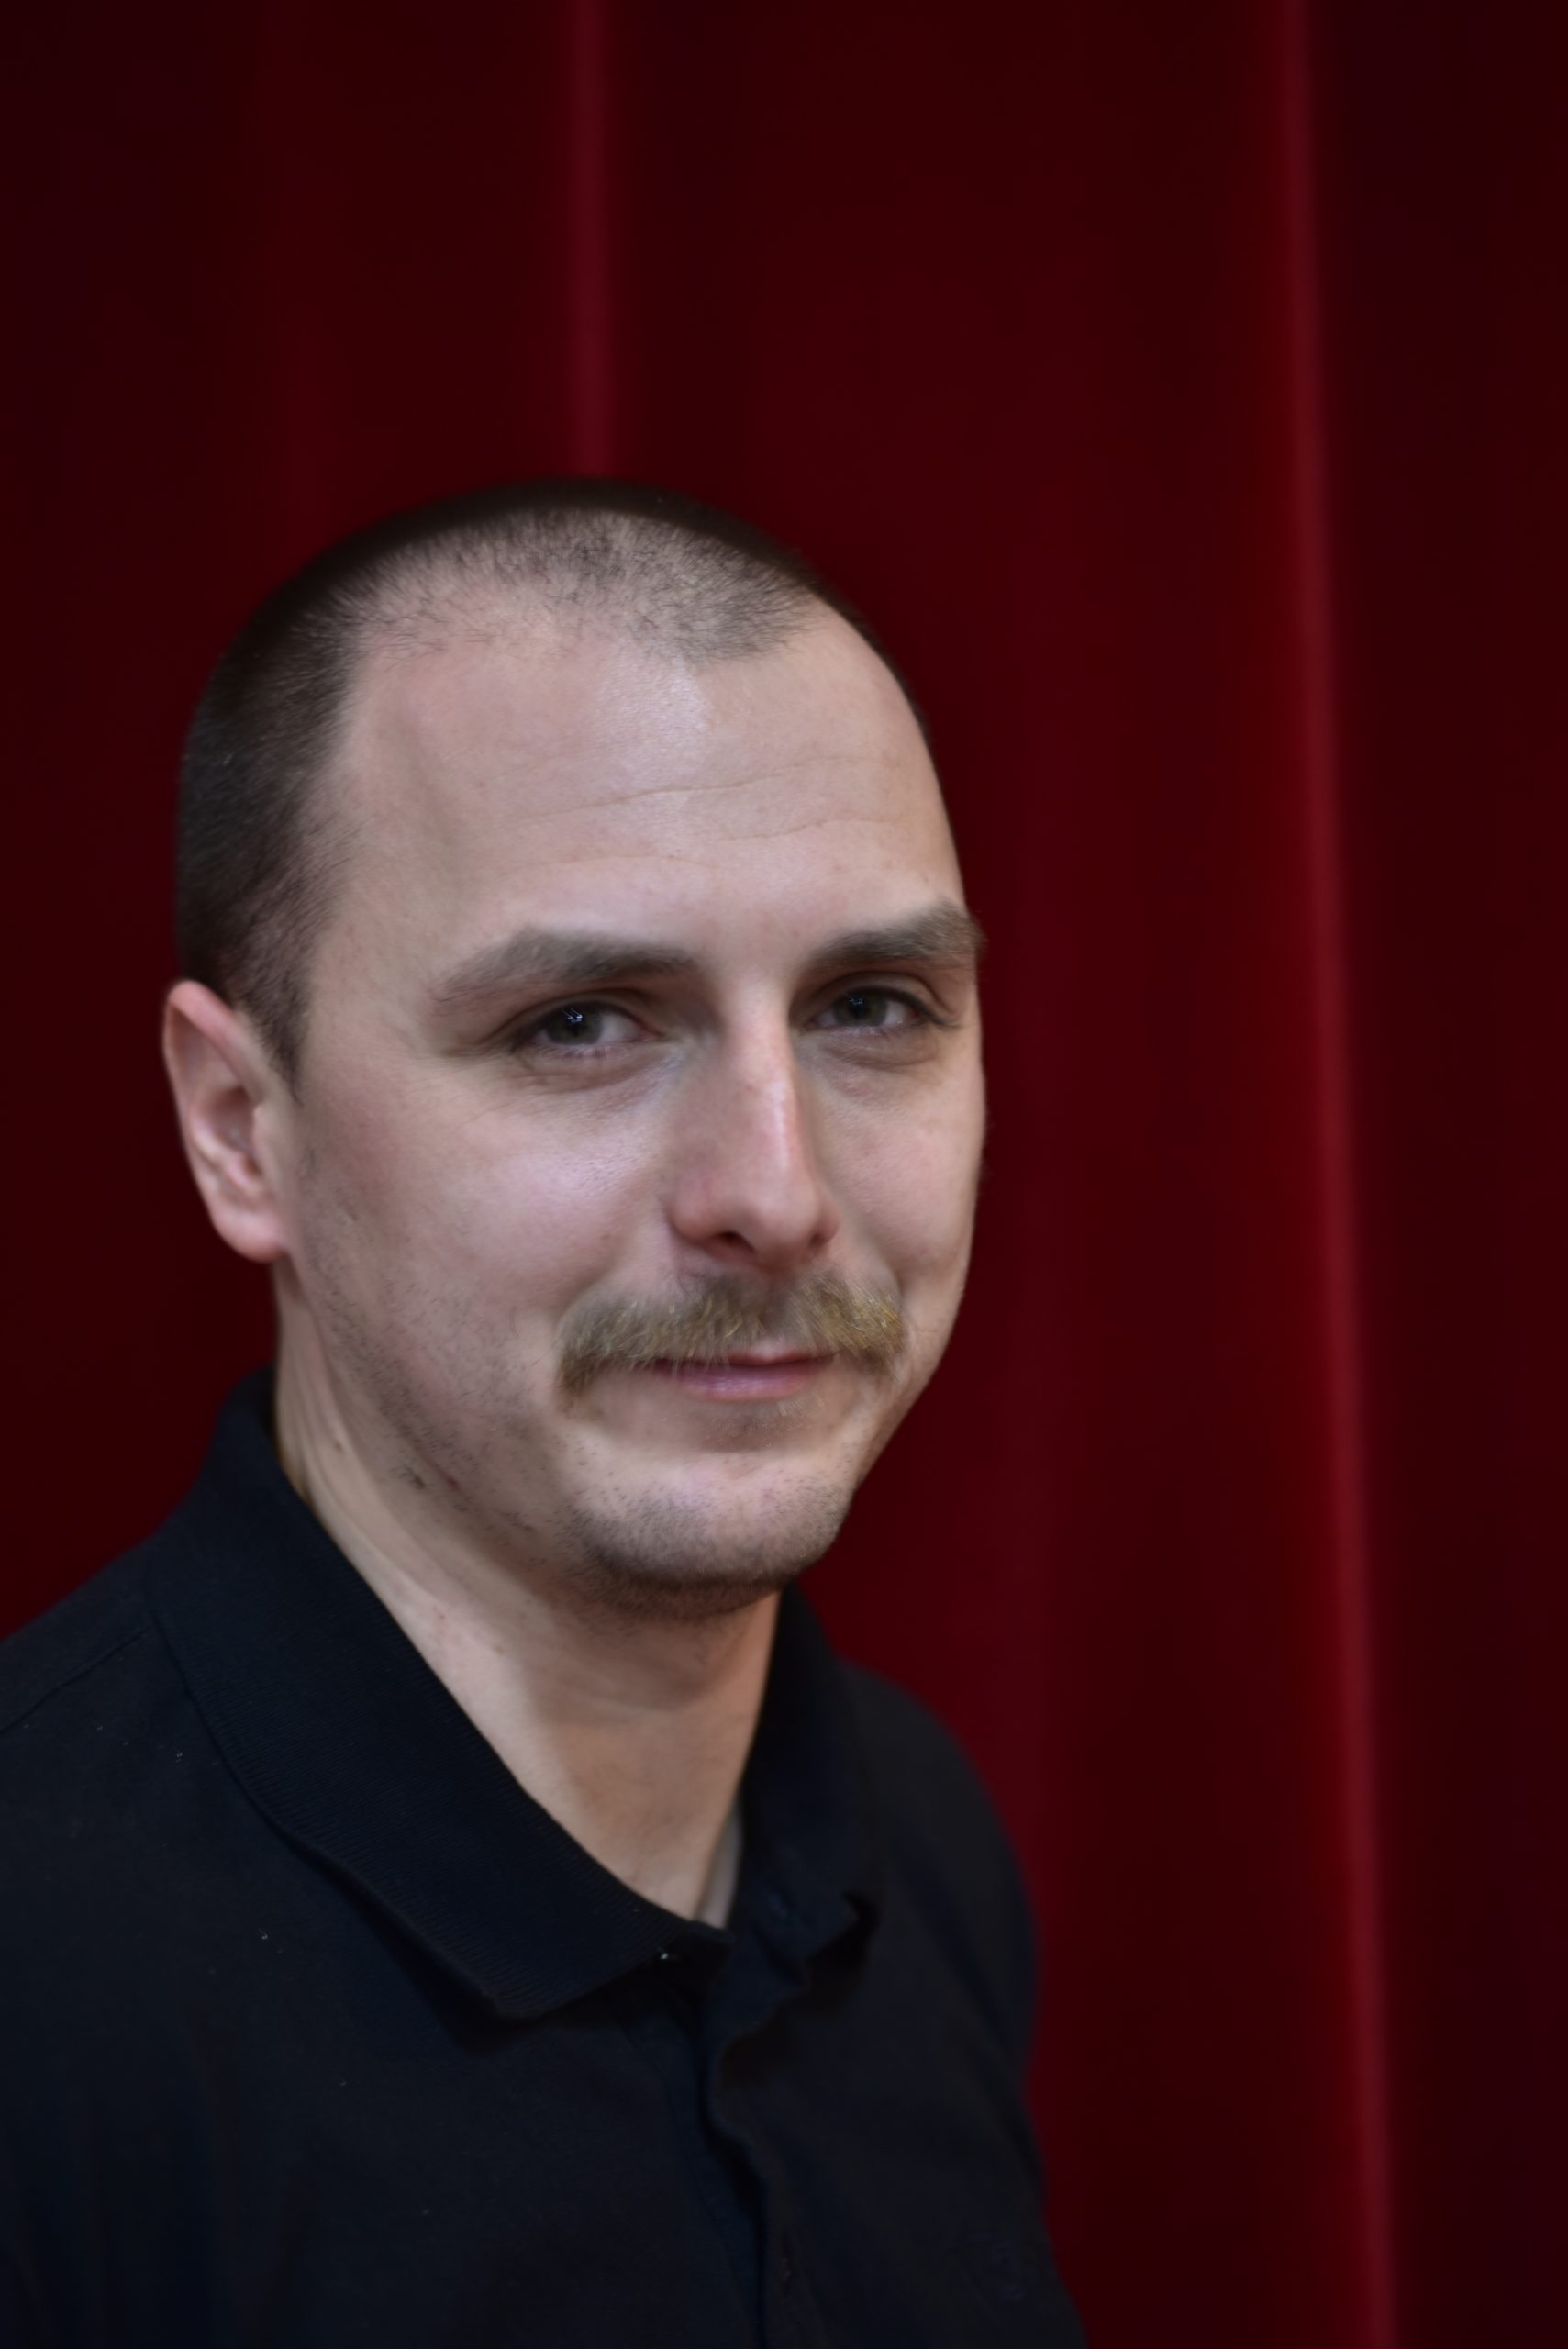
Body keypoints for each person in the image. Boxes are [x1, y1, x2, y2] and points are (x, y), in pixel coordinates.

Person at [0, 482, 1084, 2345]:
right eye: (580, 1021)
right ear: (242, 1129)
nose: (775, 1191)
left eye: (872, 1003)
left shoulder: (919, 1842)